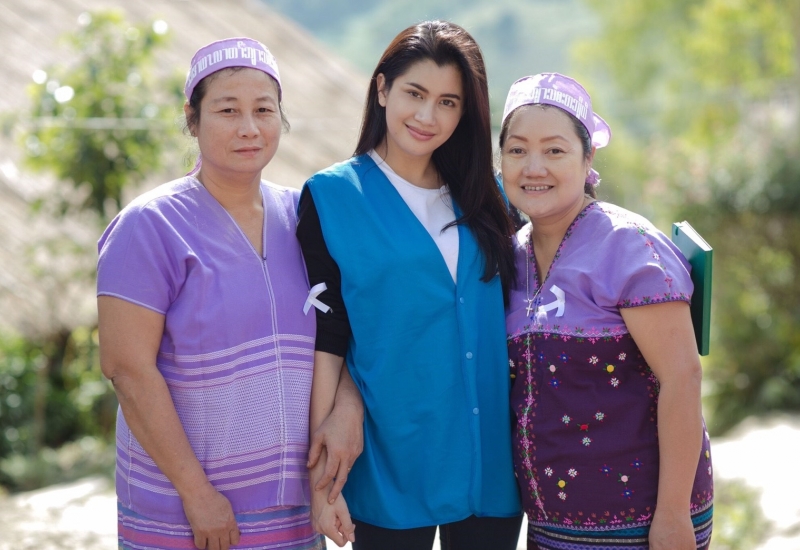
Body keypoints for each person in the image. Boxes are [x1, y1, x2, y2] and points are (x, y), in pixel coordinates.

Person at [97, 37, 361, 550]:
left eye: (264, 110)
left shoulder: (306, 218)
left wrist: (346, 412)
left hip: (290, 509)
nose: (249, 127)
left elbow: (346, 334)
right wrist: (197, 495)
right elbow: (126, 369)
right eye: (227, 110)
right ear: (192, 119)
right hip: (185, 511)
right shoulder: (150, 226)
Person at [296, 20, 523, 550]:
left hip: (489, 461)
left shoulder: (490, 195)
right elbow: (328, 338)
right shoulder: (330, 197)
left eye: (448, 102)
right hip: (389, 459)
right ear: (381, 89)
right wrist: (321, 481)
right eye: (414, 94)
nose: (427, 116)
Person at [499, 73, 714, 550]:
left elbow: (684, 378)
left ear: (587, 156)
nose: (534, 167)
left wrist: (673, 517)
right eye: (517, 150)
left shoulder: (628, 246)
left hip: (643, 523)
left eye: (555, 150)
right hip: (552, 526)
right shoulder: (509, 255)